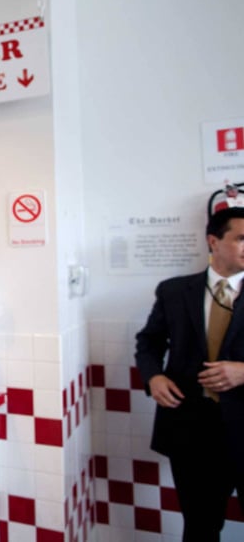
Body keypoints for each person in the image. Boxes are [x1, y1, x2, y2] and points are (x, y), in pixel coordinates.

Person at [135, 206, 244, 542]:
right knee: (200, 527)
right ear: (214, 241)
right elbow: (148, 342)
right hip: (193, 432)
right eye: (241, 238)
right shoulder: (174, 291)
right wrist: (154, 377)